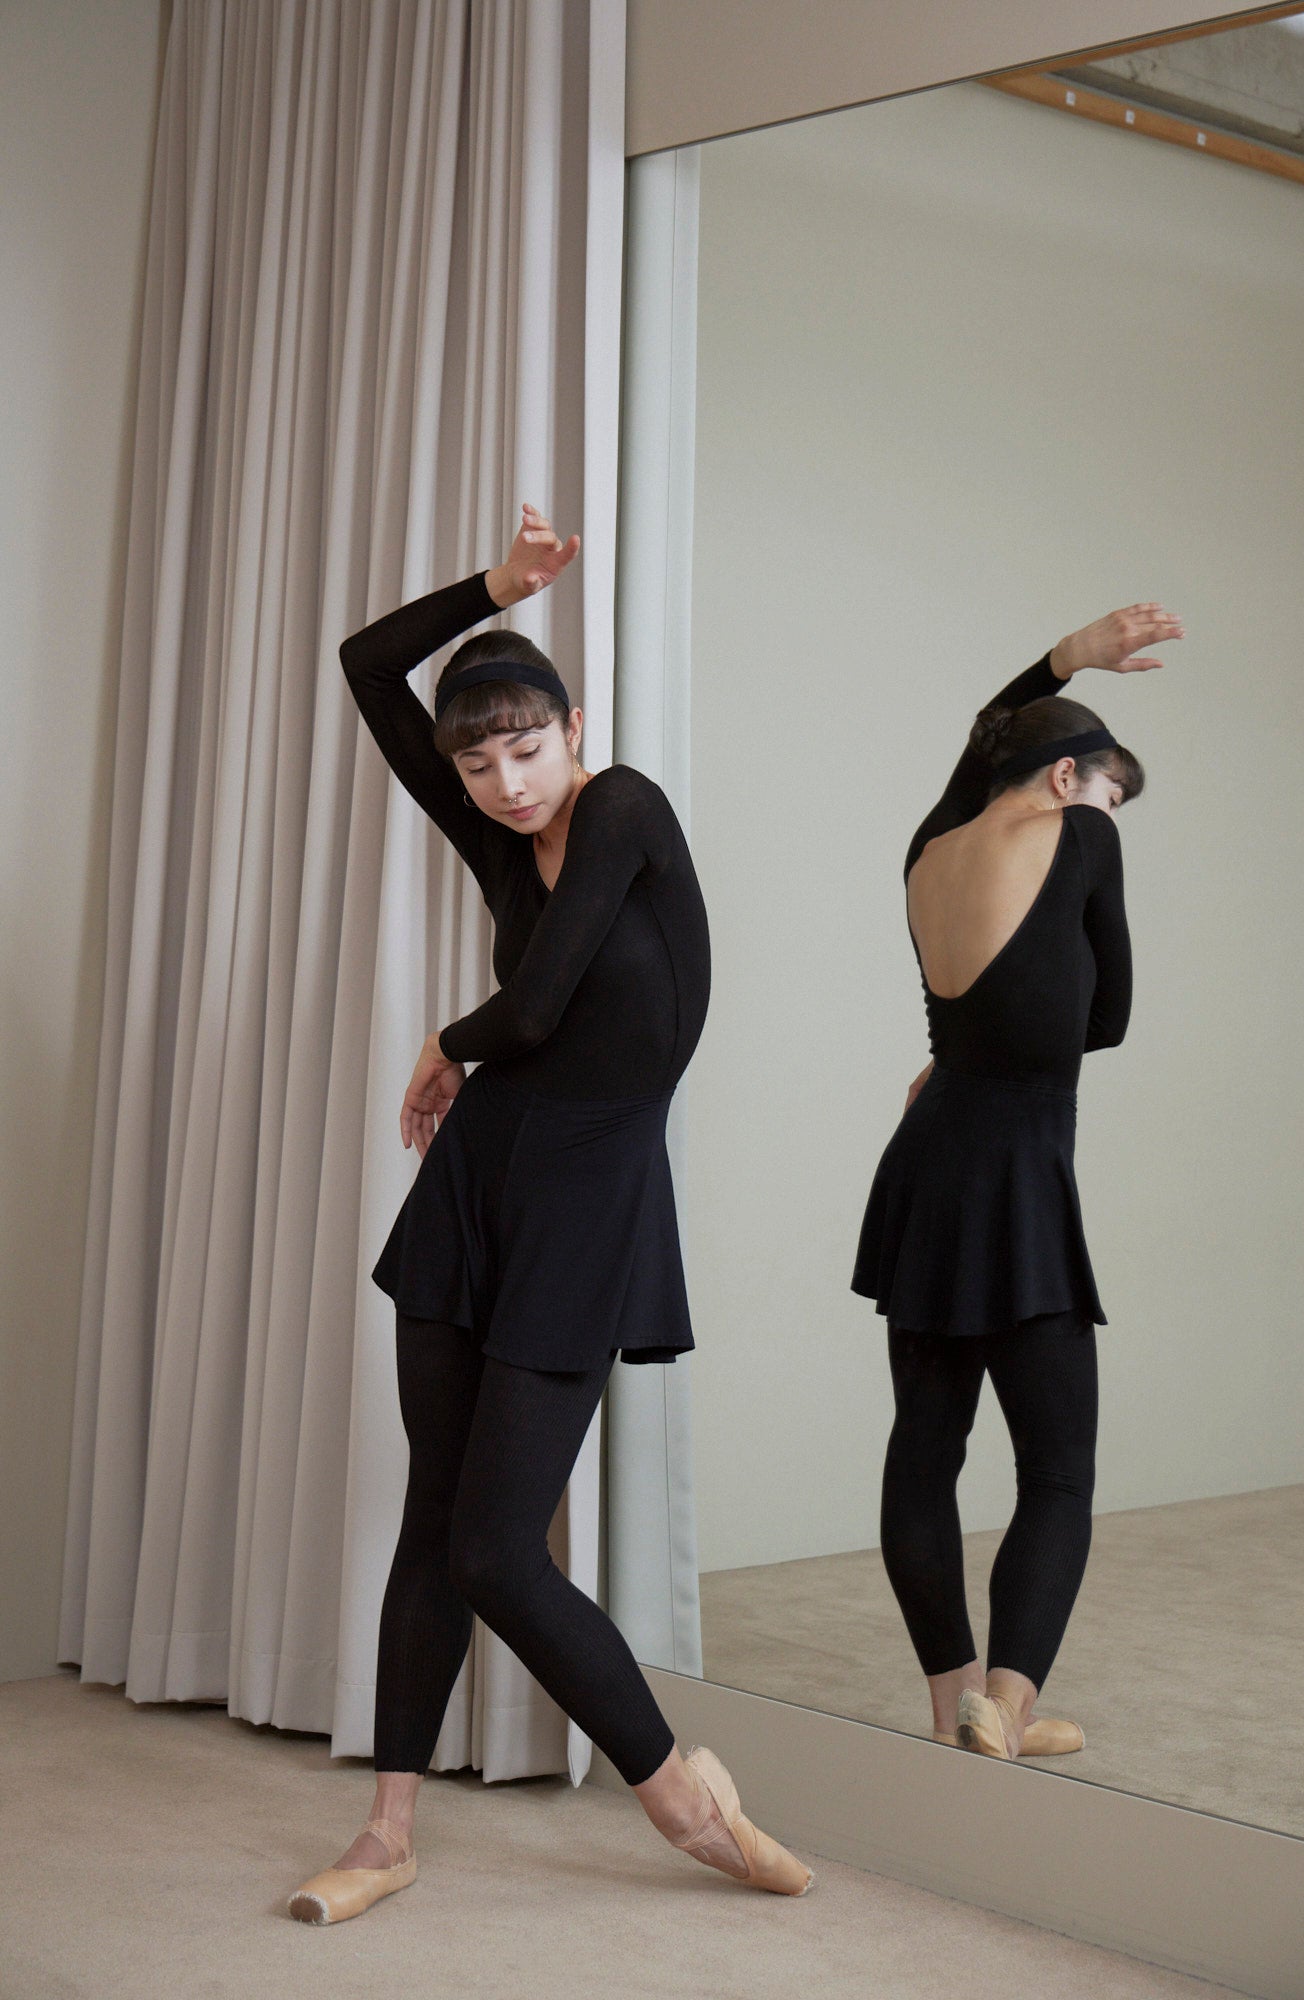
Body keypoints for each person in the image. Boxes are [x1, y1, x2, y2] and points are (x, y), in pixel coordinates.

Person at [287, 507, 812, 1924]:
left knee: (494, 1546)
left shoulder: (624, 806)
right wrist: (492, 586)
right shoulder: (491, 831)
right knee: (435, 1517)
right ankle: (387, 1832)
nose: (505, 783)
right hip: (475, 1190)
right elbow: (364, 662)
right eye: (476, 762)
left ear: (574, 727)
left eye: (525, 748)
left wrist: (443, 1040)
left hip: (586, 1206)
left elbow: (531, 1009)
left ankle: (677, 1794)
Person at [852, 603, 1181, 1761]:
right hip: (1016, 1171)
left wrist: (1067, 660)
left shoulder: (928, 846)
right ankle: (1007, 1701)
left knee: (923, 1446)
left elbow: (981, 740)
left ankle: (952, 1705)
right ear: (1064, 777)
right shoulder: (1080, 835)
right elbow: (1108, 1015)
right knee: (1055, 1466)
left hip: (925, 1160)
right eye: (1106, 793)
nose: (1107, 817)